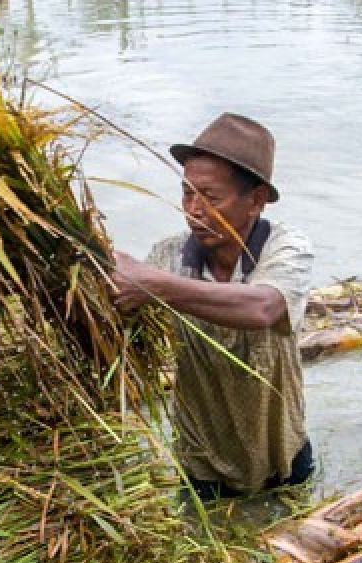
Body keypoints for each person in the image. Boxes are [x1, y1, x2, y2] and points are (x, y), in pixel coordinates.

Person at [110, 113, 314, 501]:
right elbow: (124, 318)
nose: (194, 210)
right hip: (201, 468)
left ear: (255, 201)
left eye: (211, 197)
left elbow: (263, 308)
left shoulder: (285, 249)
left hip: (282, 459)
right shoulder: (168, 257)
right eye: (187, 193)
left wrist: (153, 284)